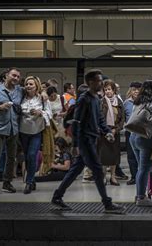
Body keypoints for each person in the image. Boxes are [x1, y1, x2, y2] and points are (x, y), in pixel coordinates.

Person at [51, 69, 124, 214]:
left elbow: (100, 119)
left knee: (75, 170)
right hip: (85, 140)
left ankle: (57, 197)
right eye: (98, 80)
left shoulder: (96, 98)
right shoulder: (84, 99)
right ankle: (107, 203)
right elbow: (77, 121)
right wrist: (76, 144)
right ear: (91, 82)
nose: (101, 83)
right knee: (97, 170)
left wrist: (107, 131)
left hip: (92, 138)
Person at [0, 67, 24, 196]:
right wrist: (0, 107)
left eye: (18, 77)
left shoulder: (19, 91)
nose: (16, 78)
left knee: (11, 158)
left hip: (14, 130)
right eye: (14, 75)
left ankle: (7, 182)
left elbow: (32, 92)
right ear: (7, 75)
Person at [129, 80, 152, 206]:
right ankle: (141, 198)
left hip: (133, 137)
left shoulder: (137, 102)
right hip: (145, 139)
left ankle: (138, 194)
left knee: (140, 168)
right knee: (145, 169)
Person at [19, 76, 53, 194]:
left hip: (36, 132)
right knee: (27, 157)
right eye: (27, 84)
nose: (28, 86)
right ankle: (32, 179)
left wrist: (40, 112)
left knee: (32, 155)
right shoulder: (21, 97)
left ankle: (28, 182)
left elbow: (50, 114)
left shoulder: (42, 99)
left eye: (31, 84)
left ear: (36, 86)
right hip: (22, 132)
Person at [98, 79, 125, 186]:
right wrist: (106, 131)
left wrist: (116, 129)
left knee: (114, 156)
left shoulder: (119, 102)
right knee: (104, 156)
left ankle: (113, 177)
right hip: (104, 133)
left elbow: (122, 118)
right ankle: (104, 176)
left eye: (109, 89)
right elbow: (98, 118)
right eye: (106, 90)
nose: (108, 92)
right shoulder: (101, 102)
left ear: (114, 90)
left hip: (115, 131)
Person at [123, 82, 142, 185]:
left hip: (142, 133)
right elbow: (123, 117)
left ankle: (142, 176)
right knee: (131, 156)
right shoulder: (126, 103)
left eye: (138, 89)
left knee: (143, 155)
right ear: (131, 91)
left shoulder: (144, 102)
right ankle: (134, 176)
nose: (136, 91)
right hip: (130, 132)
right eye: (134, 89)